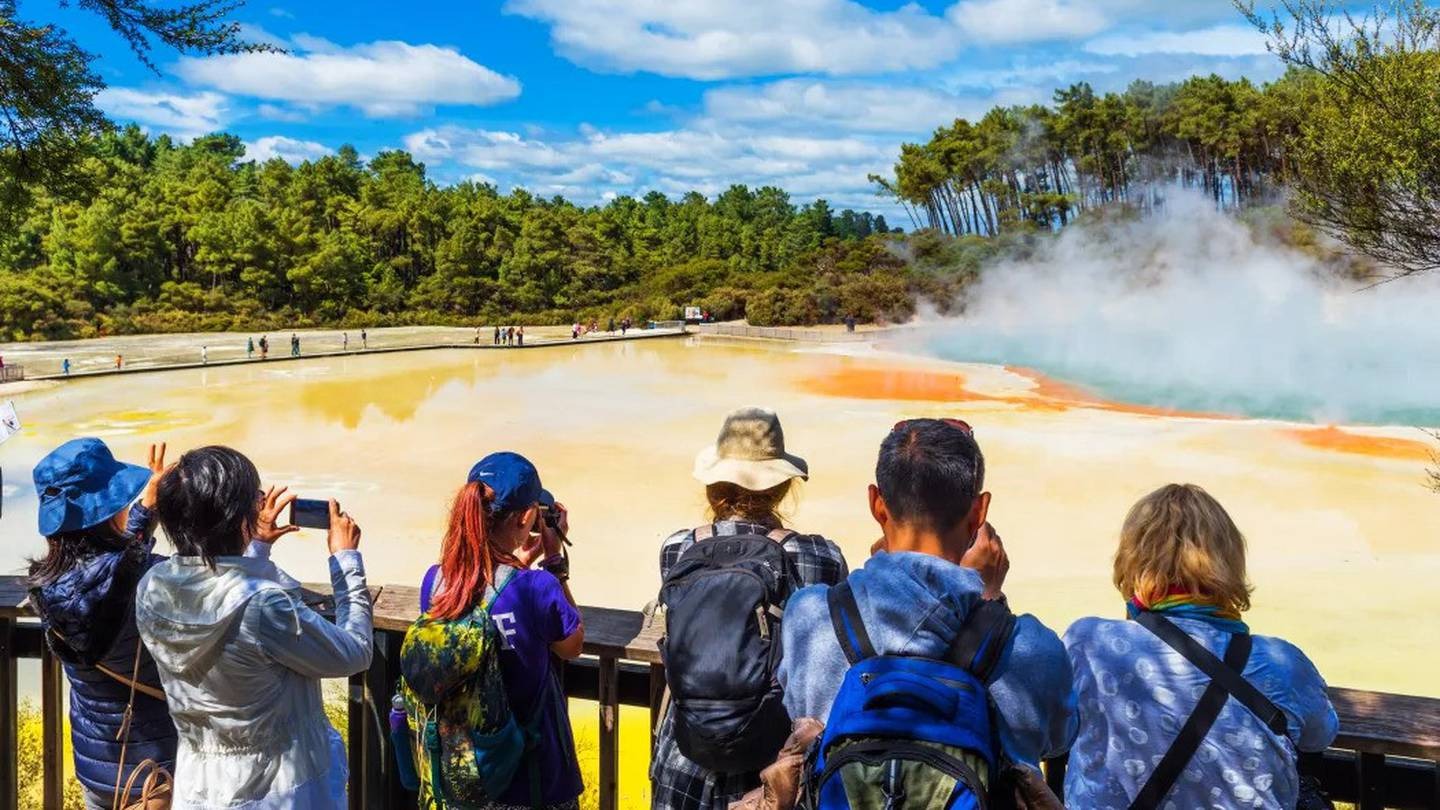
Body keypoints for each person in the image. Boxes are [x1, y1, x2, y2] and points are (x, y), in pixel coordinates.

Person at [780, 419, 1077, 768]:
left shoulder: (809, 616)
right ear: (979, 512)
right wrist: (990, 601)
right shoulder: (1032, 648)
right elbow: (1059, 739)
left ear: (877, 504)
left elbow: (801, 710)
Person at [1062, 484, 1338, 809]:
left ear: (1132, 562)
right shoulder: (1283, 664)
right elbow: (1321, 734)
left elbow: (1052, 731)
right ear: (1229, 563)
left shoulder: (1089, 643)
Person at [136, 446, 371, 809]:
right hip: (278, 787)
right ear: (238, 515)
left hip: (200, 783)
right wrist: (345, 561)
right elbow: (354, 653)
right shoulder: (264, 606)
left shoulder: (153, 587)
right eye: (255, 499)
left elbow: (216, 591)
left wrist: (254, 546)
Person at [651, 408, 847, 810]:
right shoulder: (818, 556)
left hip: (683, 758)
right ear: (782, 486)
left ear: (713, 487)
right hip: (772, 768)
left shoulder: (677, 549)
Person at [413, 452, 585, 809]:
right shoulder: (537, 587)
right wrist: (553, 560)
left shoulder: (437, 581)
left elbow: (484, 597)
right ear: (526, 517)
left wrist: (516, 563)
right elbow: (572, 646)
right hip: (532, 778)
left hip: (466, 774)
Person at [27, 439, 178, 810]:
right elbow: (125, 570)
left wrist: (147, 510)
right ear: (108, 512)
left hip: (97, 770)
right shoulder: (153, 579)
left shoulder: (45, 587)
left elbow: (113, 570)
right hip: (157, 772)